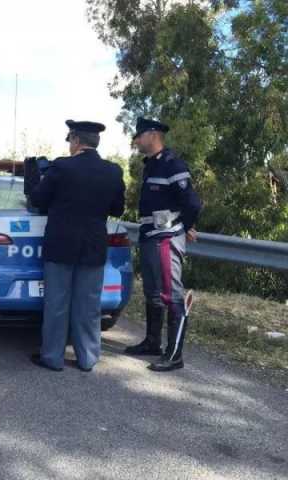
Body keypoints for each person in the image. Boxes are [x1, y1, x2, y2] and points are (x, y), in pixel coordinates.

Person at [29, 120, 126, 372]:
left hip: (60, 245)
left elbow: (39, 199)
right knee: (89, 305)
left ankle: (52, 357)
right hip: (93, 246)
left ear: (75, 141)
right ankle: (88, 358)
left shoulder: (61, 167)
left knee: (57, 303)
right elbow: (117, 208)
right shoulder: (113, 171)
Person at [124, 117, 201, 372]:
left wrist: (183, 226)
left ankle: (174, 354)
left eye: (139, 135)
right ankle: (152, 342)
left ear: (153, 134)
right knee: (152, 292)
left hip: (166, 238)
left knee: (172, 294)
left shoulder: (172, 164)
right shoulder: (151, 166)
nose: (136, 140)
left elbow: (191, 203)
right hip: (149, 235)